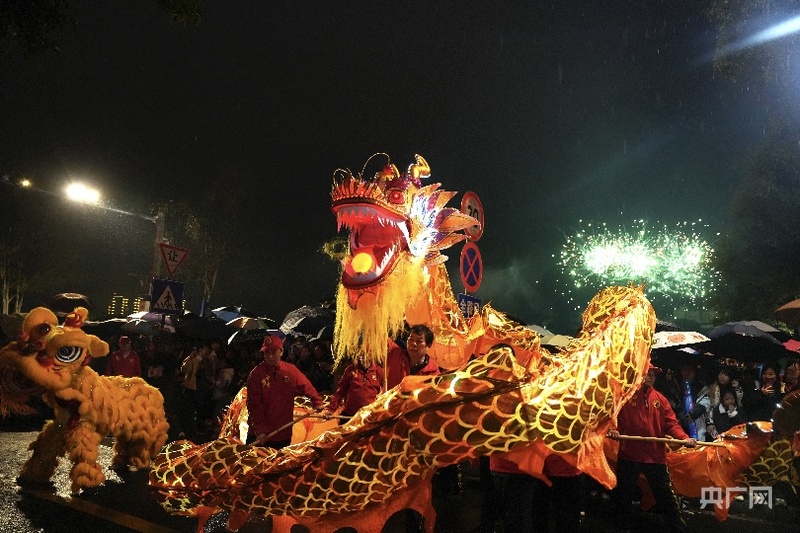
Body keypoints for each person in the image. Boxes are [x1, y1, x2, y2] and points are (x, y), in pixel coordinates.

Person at [608, 364, 696, 532]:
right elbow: (613, 416)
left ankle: (676, 527)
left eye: (653, 375)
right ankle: (620, 527)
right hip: (630, 454)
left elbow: (671, 423)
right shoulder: (624, 397)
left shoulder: (660, 399)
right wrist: (613, 429)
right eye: (648, 374)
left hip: (655, 455)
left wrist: (684, 438)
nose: (651, 377)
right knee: (624, 494)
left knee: (664, 493)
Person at [246, 332, 323, 449]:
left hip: (283, 432)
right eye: (267, 352)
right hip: (260, 435)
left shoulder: (291, 370)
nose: (270, 356)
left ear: (281, 352)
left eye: (273, 352)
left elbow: (307, 387)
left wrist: (317, 402)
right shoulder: (256, 374)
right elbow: (254, 405)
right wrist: (260, 430)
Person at [325, 355, 384, 420]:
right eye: (361, 354)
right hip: (351, 413)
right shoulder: (351, 370)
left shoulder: (379, 371)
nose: (364, 357)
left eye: (367, 354)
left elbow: (386, 391)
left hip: (369, 415)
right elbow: (340, 391)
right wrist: (331, 409)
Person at [386, 324, 439, 389]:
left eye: (419, 341)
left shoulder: (433, 372)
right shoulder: (395, 353)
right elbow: (380, 336)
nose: (413, 344)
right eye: (411, 339)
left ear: (428, 345)